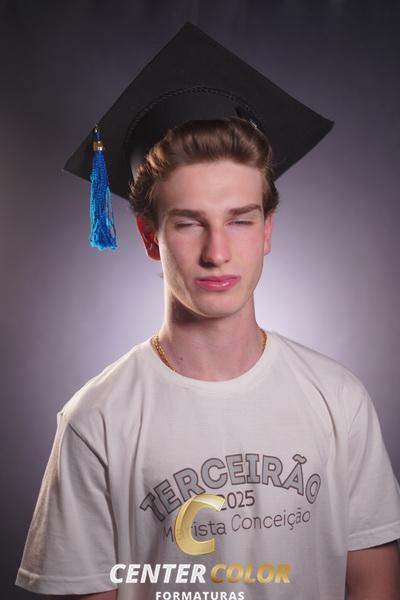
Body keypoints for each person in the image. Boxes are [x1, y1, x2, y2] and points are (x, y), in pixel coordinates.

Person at [15, 22, 400, 600]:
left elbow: (374, 585)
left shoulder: (338, 399)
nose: (217, 251)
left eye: (240, 220)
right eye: (189, 222)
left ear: (267, 230)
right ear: (150, 236)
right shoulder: (96, 421)